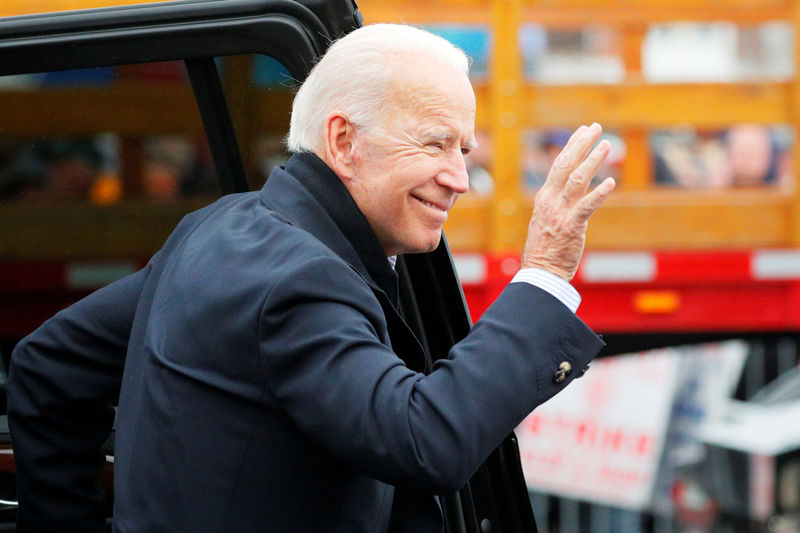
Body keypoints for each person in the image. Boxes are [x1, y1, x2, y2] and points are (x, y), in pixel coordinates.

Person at [6, 24, 615, 533]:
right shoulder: (299, 279)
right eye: (435, 144)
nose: (458, 177)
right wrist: (545, 274)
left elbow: (48, 365)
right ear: (344, 141)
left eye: (463, 149)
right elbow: (426, 439)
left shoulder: (220, 227)